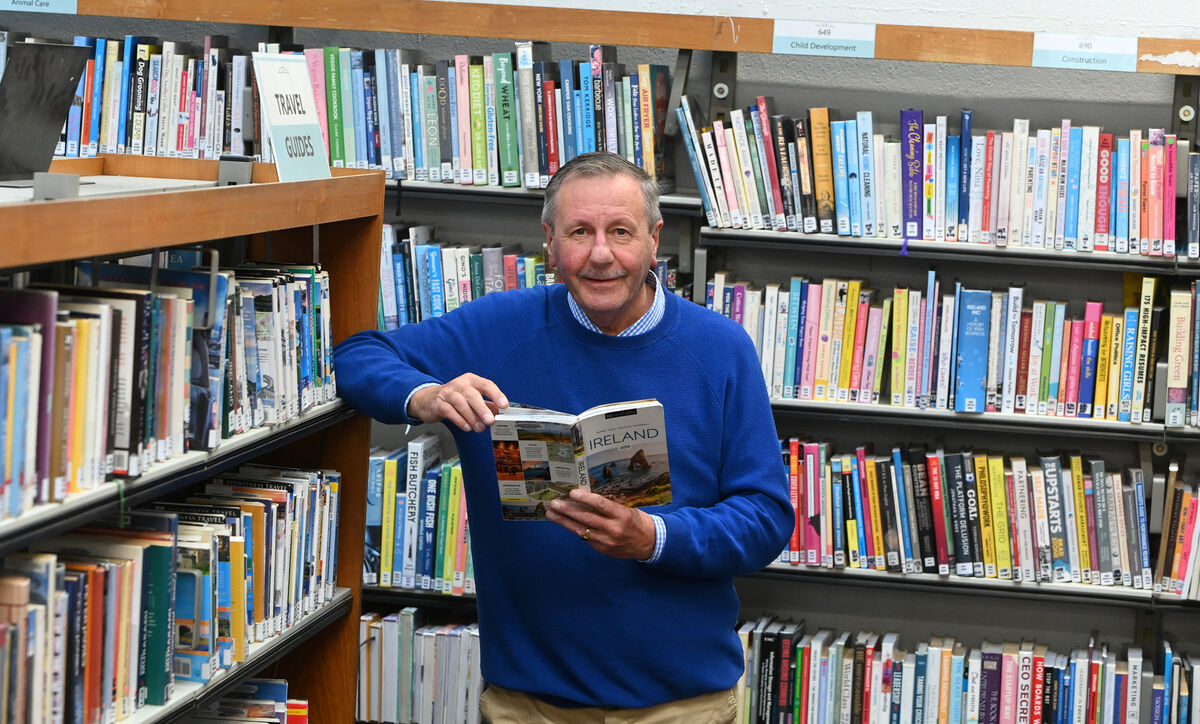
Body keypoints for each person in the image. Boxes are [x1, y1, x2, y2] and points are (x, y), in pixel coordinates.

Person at [333, 152, 794, 722]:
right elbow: (354, 355)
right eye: (580, 232)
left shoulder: (721, 348)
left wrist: (653, 538)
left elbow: (765, 518)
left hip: (683, 704)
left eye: (620, 232)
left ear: (654, 240)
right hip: (529, 703)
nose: (600, 254)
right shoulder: (498, 326)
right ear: (549, 243)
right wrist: (424, 395)